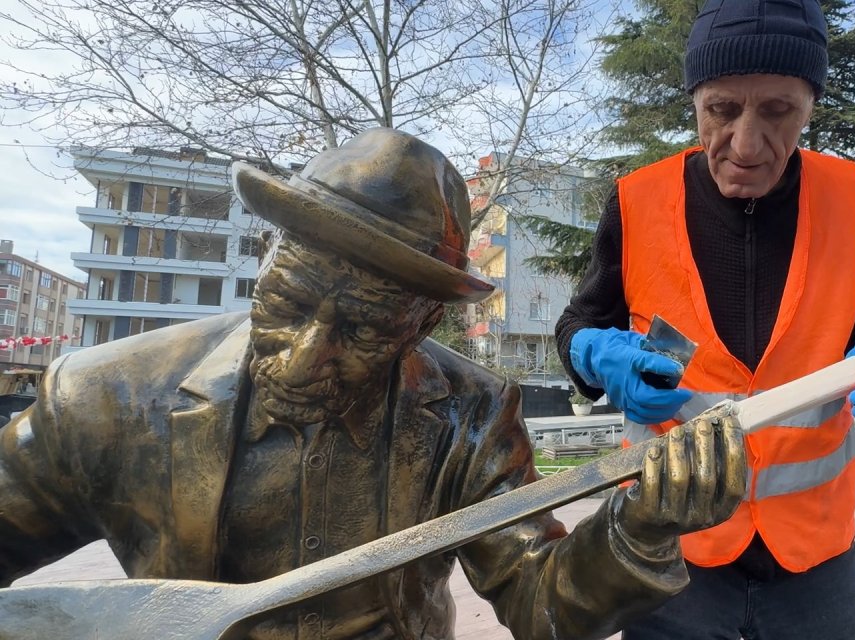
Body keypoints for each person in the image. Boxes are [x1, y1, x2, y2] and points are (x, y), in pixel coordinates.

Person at [0, 128, 749, 640]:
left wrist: (641, 529)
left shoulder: (471, 415)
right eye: (287, 304)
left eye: (360, 331)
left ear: (420, 323)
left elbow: (539, 600)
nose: (303, 358)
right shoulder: (106, 398)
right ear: (266, 260)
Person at [553, 1, 855, 637]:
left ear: (811, 105)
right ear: (695, 102)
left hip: (814, 553)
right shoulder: (636, 201)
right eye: (721, 110)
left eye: (777, 111)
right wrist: (594, 353)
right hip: (673, 539)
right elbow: (576, 323)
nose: (744, 144)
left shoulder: (854, 198)